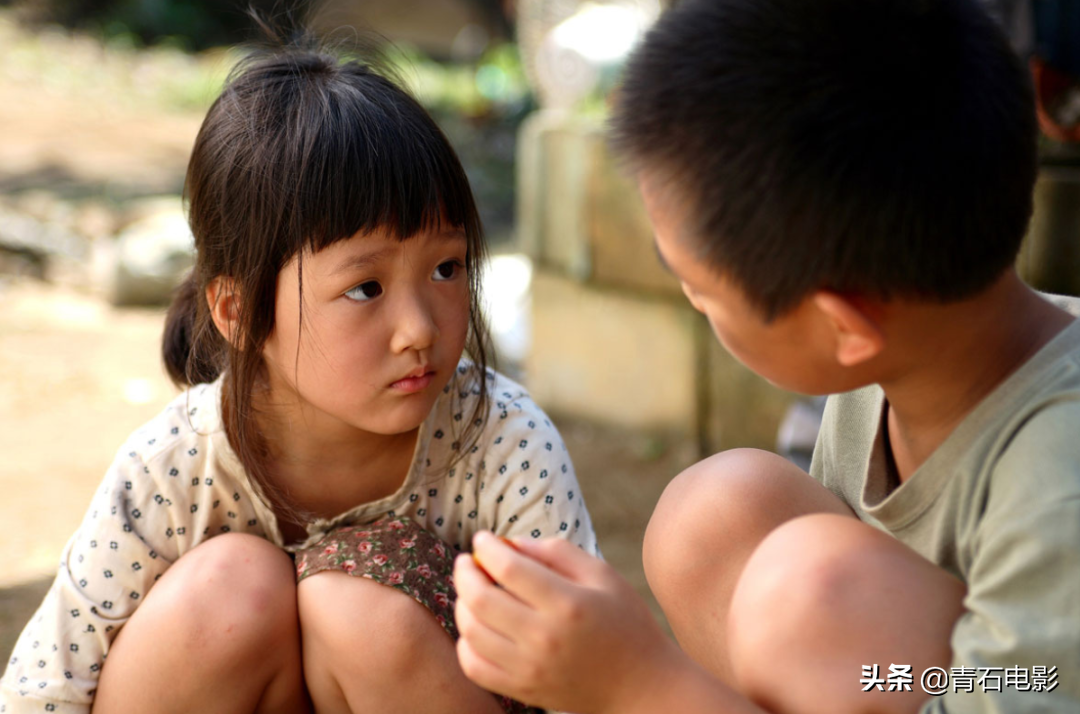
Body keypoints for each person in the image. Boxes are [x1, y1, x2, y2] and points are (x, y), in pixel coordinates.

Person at [452, 0, 1080, 713]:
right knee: (713, 519)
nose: (692, 301)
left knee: (809, 598)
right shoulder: (911, 349)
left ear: (843, 328)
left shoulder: (1058, 479)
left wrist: (637, 687)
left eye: (700, 287)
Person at [0, 31, 597, 714]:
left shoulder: (502, 445)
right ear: (241, 311)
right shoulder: (172, 471)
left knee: (357, 609)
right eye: (366, 288)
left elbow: (589, 677)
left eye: (446, 268)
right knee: (231, 587)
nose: (421, 329)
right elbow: (43, 692)